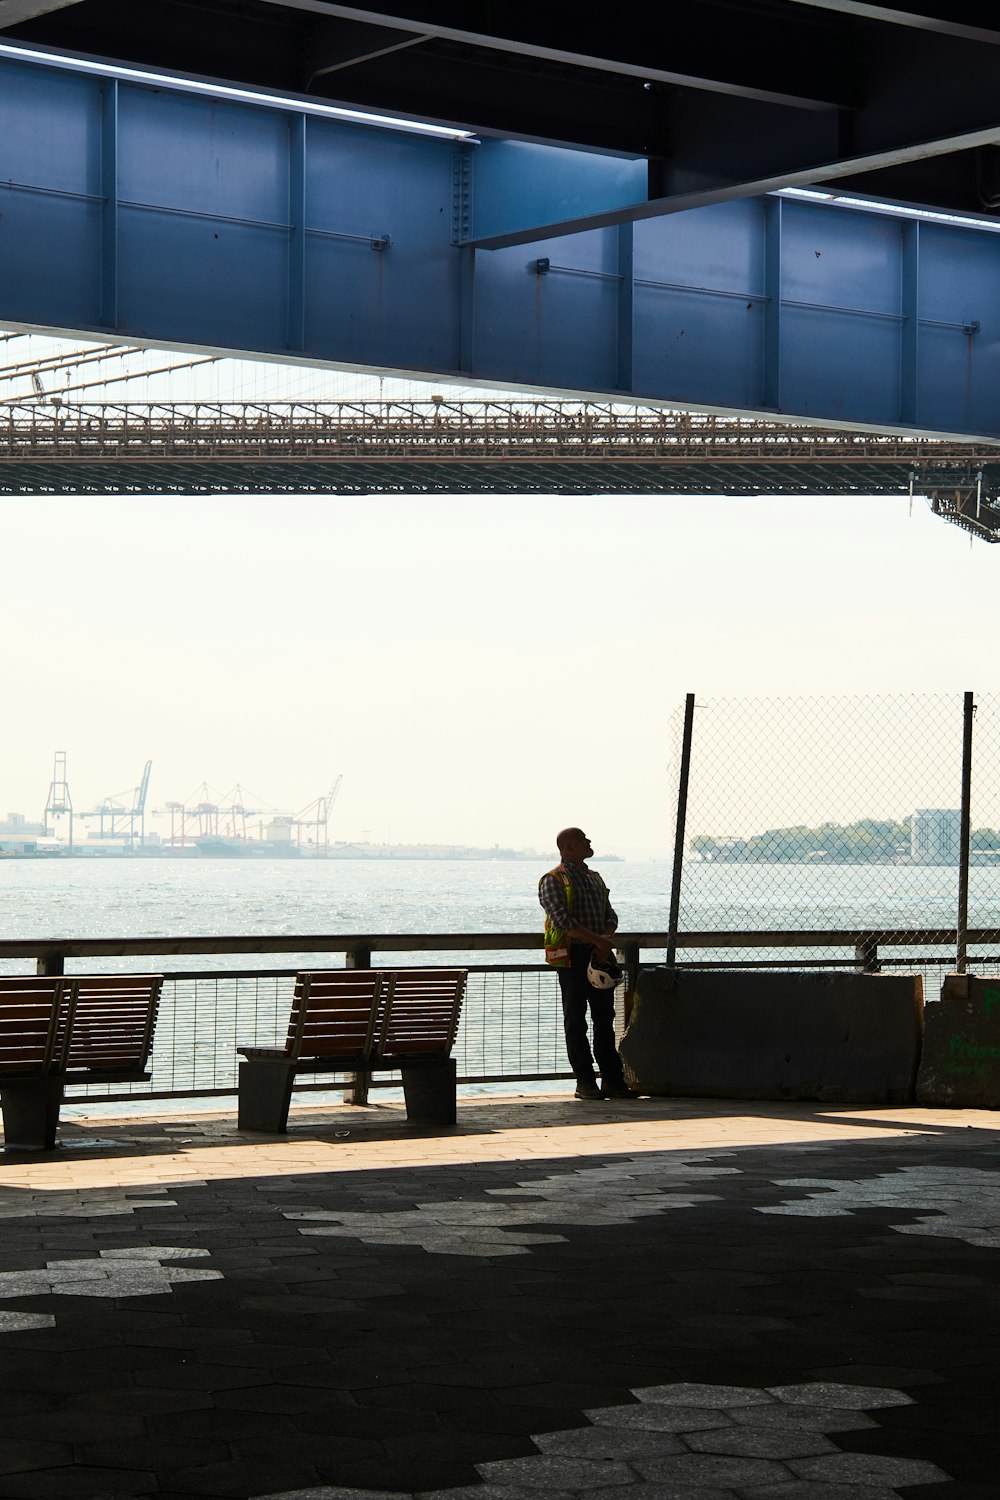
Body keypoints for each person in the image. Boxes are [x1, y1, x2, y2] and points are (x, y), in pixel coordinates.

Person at [538, 827, 632, 1100]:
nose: (589, 842)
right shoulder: (553, 879)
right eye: (582, 840)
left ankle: (613, 1080)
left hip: (596, 954)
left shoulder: (594, 878)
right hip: (570, 957)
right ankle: (585, 1081)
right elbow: (563, 922)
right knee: (576, 1020)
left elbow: (610, 914)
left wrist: (604, 940)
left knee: (605, 1019)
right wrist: (601, 942)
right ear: (567, 847)